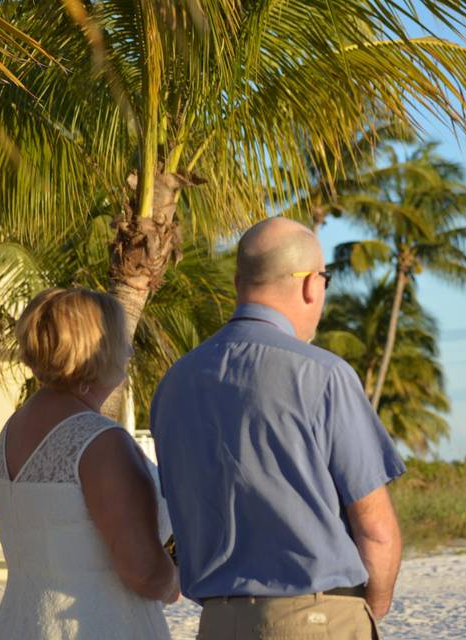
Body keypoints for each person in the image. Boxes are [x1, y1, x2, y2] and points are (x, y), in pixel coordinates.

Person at [152, 217, 406, 640]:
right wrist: (368, 613)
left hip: (216, 624)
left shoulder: (174, 384)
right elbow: (376, 532)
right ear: (310, 285)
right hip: (316, 618)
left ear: (238, 283)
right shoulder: (323, 375)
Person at [0, 288, 179, 640]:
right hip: (97, 626)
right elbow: (144, 572)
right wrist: (173, 581)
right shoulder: (100, 441)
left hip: (20, 624)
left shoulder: (12, 430)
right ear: (98, 349)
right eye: (121, 340)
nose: (130, 350)